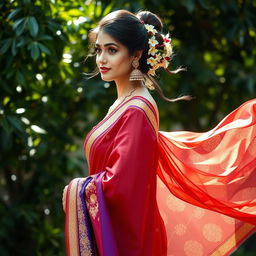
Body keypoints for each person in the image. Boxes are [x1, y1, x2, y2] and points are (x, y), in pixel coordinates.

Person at [63, 10, 256, 256]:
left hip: (128, 242)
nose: (102, 58)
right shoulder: (123, 104)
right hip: (117, 234)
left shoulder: (136, 111)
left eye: (112, 50)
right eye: (99, 49)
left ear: (136, 55)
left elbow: (122, 185)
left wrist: (75, 190)